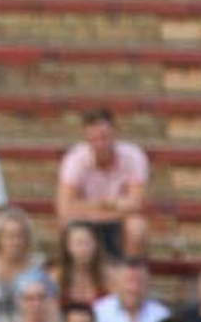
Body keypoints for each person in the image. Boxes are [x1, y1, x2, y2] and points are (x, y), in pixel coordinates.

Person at [57, 108, 149, 263]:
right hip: (87, 220)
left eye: (104, 137)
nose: (99, 144)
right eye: (93, 139)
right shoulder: (75, 160)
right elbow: (63, 208)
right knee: (67, 227)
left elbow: (137, 203)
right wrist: (112, 205)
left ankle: (129, 274)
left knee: (137, 228)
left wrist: (92, 206)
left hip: (116, 221)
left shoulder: (133, 156)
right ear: (86, 138)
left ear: (115, 133)